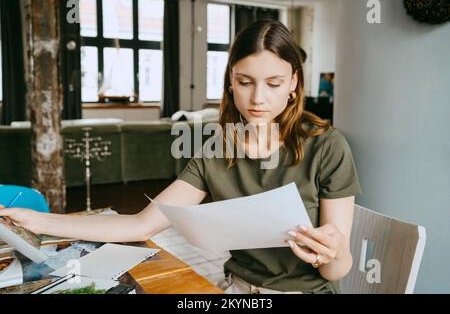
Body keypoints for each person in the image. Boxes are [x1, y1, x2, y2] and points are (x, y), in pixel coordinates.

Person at [0, 20, 361, 294]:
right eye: (245, 81)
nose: (258, 99)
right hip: (237, 290)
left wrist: (333, 255)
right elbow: (139, 225)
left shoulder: (326, 147)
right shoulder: (216, 151)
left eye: (274, 83)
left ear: (294, 82)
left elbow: (335, 272)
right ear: (230, 82)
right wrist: (38, 221)